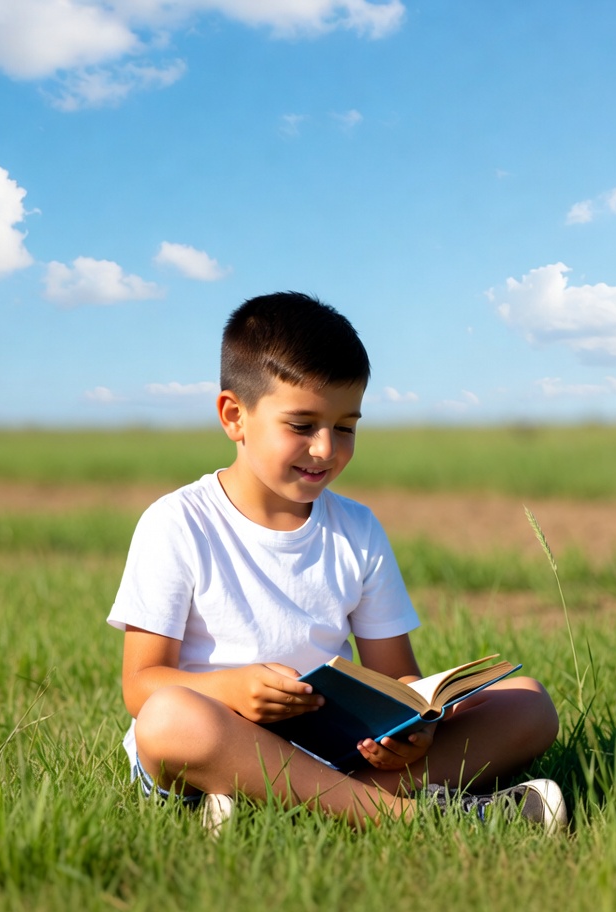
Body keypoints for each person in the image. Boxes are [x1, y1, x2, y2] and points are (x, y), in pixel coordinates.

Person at [108, 292, 565, 832]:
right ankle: (406, 816)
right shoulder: (178, 522)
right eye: (302, 425)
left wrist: (414, 728)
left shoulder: (357, 529)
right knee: (169, 719)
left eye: (345, 426)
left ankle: (276, 806)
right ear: (235, 416)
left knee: (528, 703)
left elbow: (396, 676)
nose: (326, 449)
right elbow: (140, 685)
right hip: (211, 737)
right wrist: (230, 690)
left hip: (333, 748)